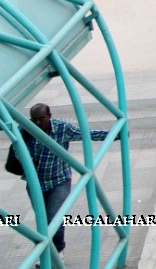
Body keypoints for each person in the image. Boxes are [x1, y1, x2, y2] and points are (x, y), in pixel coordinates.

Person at [24, 104, 108, 257]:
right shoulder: (27, 129)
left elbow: (85, 134)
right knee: (42, 219)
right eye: (34, 120)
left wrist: (113, 134)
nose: (37, 123)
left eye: (41, 119)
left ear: (50, 116)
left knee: (54, 216)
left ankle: (57, 250)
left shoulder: (62, 128)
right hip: (36, 183)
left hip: (59, 180)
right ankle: (45, 250)